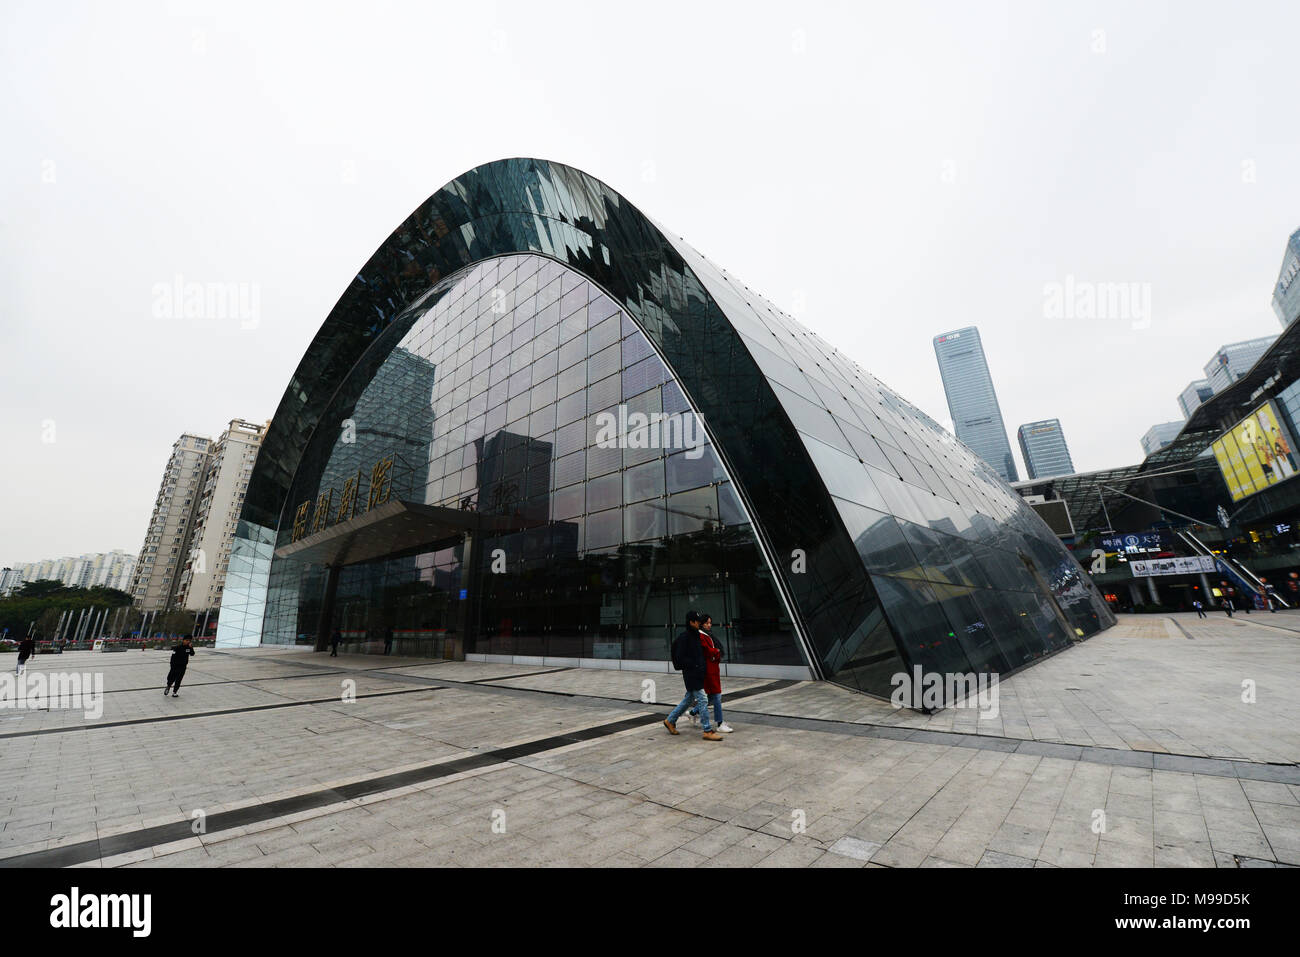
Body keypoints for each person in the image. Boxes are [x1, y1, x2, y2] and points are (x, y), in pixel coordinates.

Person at [664, 611, 722, 741]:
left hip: (697, 674)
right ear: (691, 622)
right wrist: (695, 665)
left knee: (688, 700)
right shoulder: (685, 637)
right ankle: (707, 730)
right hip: (691, 675)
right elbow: (680, 658)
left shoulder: (696, 635)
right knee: (703, 699)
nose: (699, 623)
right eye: (697, 621)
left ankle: (670, 720)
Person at [687, 614, 733, 733]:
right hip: (708, 670)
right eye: (707, 623)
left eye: (710, 623)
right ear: (701, 624)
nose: (709, 625)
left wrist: (716, 653)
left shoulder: (707, 635)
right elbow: (709, 651)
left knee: (711, 697)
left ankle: (692, 713)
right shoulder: (702, 636)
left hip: (712, 669)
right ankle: (720, 723)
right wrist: (716, 652)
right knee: (716, 696)